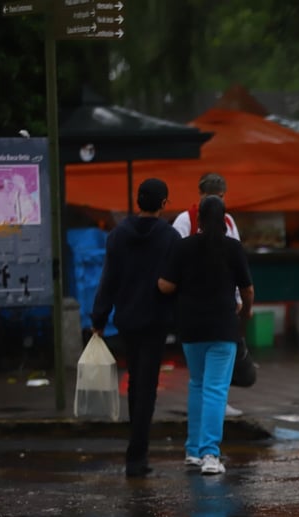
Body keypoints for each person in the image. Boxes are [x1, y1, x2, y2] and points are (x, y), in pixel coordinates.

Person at [91, 178, 181, 477]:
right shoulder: (170, 237)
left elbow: (109, 279)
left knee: (134, 382)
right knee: (147, 385)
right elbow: (174, 281)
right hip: (156, 320)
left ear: (137, 200)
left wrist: (99, 319)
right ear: (164, 203)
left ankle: (135, 452)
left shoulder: (117, 235)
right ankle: (137, 455)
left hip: (127, 320)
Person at [159, 195, 254, 475]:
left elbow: (165, 285)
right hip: (223, 328)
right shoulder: (232, 248)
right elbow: (247, 290)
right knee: (215, 390)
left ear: (198, 219)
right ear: (224, 220)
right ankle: (210, 454)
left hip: (190, 328)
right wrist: (245, 312)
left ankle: (192, 451)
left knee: (197, 386)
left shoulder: (183, 247)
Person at [172, 172, 246, 418]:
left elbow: (237, 265)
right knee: (200, 375)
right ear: (200, 196)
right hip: (194, 302)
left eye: (221, 197)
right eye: (212, 196)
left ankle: (217, 405)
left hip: (221, 302)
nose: (217, 202)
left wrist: (237, 299)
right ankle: (205, 431)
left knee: (216, 372)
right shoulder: (184, 222)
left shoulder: (230, 223)